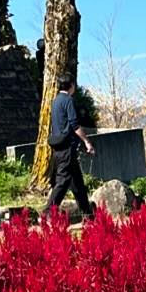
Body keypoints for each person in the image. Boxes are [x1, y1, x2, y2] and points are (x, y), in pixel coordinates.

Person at [47, 75, 96, 216]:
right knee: (62, 181)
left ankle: (88, 214)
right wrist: (87, 141)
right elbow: (74, 124)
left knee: (78, 184)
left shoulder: (55, 101)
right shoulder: (68, 100)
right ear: (71, 85)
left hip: (58, 146)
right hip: (67, 147)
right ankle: (47, 212)